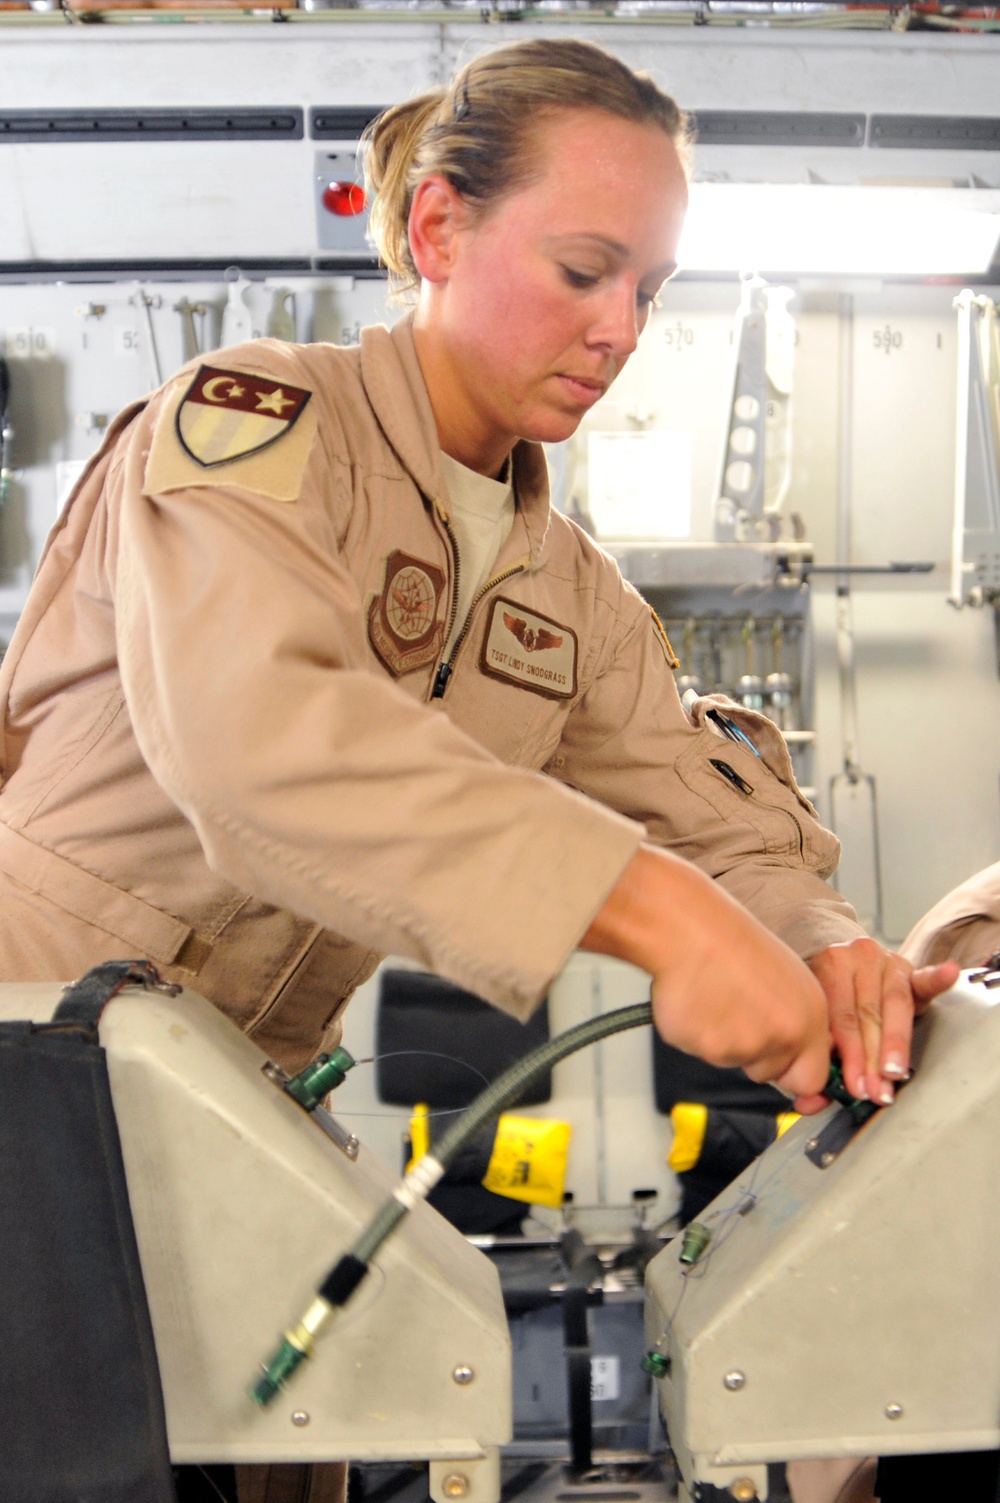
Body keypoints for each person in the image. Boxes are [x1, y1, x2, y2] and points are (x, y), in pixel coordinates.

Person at [0, 38, 956, 1501]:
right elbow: (263, 747)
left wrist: (833, 954)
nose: (623, 326)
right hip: (33, 1080)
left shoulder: (562, 588)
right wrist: (662, 919)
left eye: (650, 287)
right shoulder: (254, 429)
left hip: (227, 1105)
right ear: (438, 229)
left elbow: (715, 822)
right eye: (585, 270)